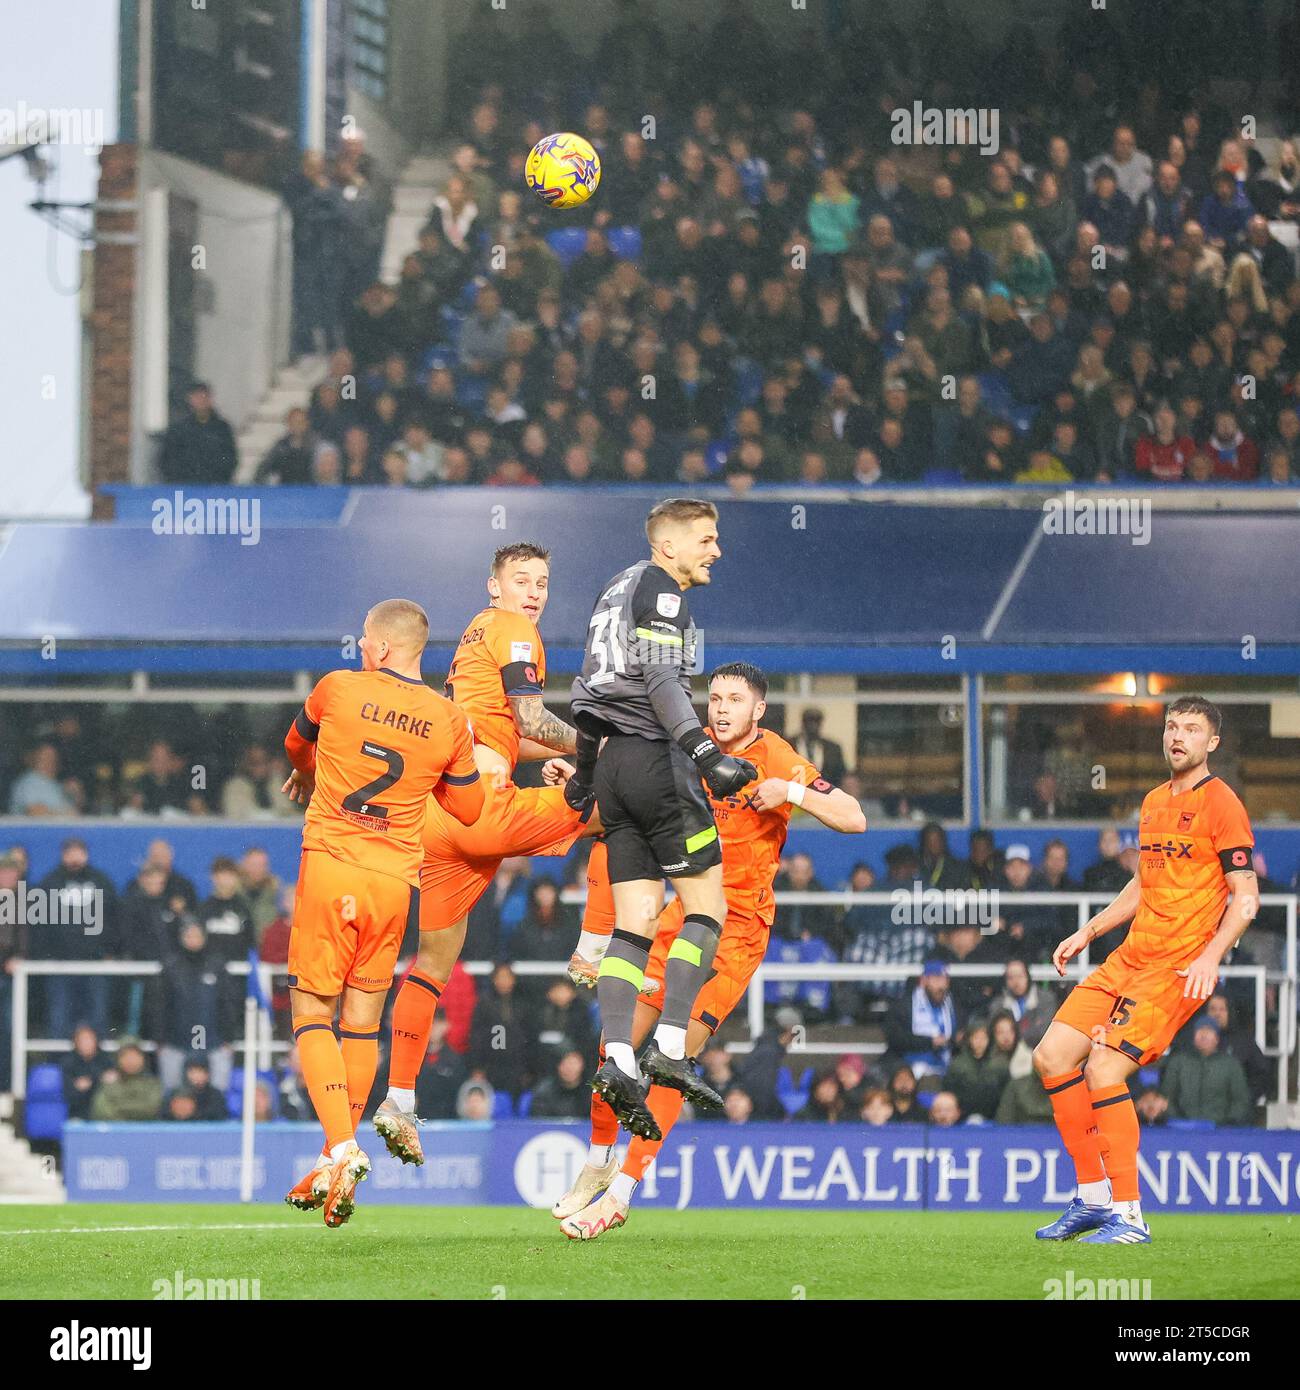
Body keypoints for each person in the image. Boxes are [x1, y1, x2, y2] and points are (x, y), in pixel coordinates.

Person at [555, 661, 865, 1238]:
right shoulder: (689, 751)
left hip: (737, 933)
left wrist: (791, 790)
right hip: (683, 915)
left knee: (669, 1064)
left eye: (734, 700)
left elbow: (855, 817)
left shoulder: (776, 757)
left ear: (759, 709)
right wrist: (577, 782)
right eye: (714, 697)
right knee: (612, 1047)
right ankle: (596, 1164)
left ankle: (621, 1193)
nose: (720, 708)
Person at [374, 543, 603, 1164]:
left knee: (432, 963)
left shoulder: (475, 637)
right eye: (521, 580)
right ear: (493, 586)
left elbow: (508, 728)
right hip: (483, 811)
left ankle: (398, 1096)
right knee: (627, 804)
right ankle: (595, 942)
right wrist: (600, 745)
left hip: (438, 819)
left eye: (543, 582)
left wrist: (566, 749)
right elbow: (533, 714)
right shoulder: (512, 629)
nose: (534, 591)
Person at [279, 599, 484, 1228]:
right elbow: (471, 810)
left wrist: (310, 776)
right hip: (395, 883)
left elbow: (295, 746)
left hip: (333, 866)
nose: (360, 649)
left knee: (312, 1011)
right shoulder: (449, 719)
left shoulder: (336, 689)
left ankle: (343, 1147)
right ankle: (332, 1153)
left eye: (365, 641)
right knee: (361, 1021)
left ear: (384, 648)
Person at [563, 499, 757, 1138]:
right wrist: (705, 752)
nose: (717, 551)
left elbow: (589, 689)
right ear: (669, 546)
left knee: (635, 924)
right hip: (657, 763)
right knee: (708, 910)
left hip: (614, 769)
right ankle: (671, 1046)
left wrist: (589, 774)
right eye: (707, 539)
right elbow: (660, 676)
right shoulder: (662, 590)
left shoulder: (612, 589)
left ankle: (617, 1056)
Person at [1033, 696, 1257, 1245]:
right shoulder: (1154, 801)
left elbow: (1245, 899)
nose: (1178, 736)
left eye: (1192, 729)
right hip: (1128, 959)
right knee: (1052, 1056)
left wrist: (1210, 956)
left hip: (1174, 971)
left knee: (1103, 1070)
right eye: (1172, 726)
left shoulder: (1223, 803)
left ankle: (1129, 1217)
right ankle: (1092, 1198)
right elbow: (1144, 884)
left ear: (1213, 743)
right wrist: (1089, 931)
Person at [1160, 1018, 1252, 1126]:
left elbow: (1240, 1100)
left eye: (1209, 1030)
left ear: (1217, 1038)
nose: (1203, 1035)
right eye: (1200, 1030)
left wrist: (1227, 1124)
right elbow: (1167, 1096)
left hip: (1220, 1132)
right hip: (1183, 1130)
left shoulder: (1231, 1065)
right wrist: (1178, 1121)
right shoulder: (1178, 1062)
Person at [157, 382, 238, 485]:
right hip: (184, 489)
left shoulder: (221, 428)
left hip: (214, 489)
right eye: (197, 397)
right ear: (190, 399)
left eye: (204, 396)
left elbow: (229, 458)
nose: (201, 401)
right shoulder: (179, 428)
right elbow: (167, 458)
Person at [89, 1038, 163, 1121]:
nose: (131, 1060)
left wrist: (119, 1106)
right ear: (118, 1059)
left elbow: (151, 1108)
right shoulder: (109, 1082)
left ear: (143, 1058)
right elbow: (101, 1111)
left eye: (135, 1055)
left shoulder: (152, 1084)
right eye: (126, 1056)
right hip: (116, 1131)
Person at [528, 1049, 593, 1120]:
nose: (570, 1068)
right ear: (558, 1066)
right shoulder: (543, 1092)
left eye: (574, 1063)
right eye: (566, 1063)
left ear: (582, 1065)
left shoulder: (593, 1092)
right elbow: (539, 1122)